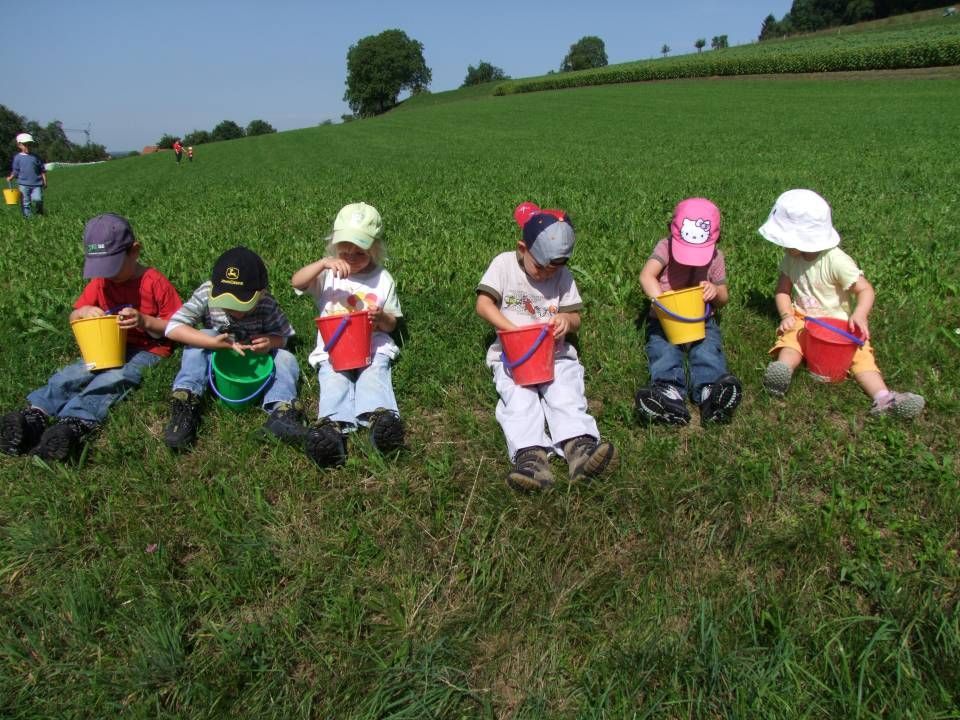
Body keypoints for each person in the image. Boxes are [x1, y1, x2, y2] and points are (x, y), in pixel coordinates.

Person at [0, 214, 182, 461]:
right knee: (74, 373)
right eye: (102, 269)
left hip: (148, 349)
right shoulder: (101, 283)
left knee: (116, 377)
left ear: (135, 251)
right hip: (105, 346)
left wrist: (144, 321)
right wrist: (84, 312)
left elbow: (178, 327)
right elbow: (74, 316)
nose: (108, 276)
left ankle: (74, 423)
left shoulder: (154, 282)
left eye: (113, 268)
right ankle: (35, 415)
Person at [475, 202, 619, 492]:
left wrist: (567, 320)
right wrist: (510, 329)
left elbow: (576, 316)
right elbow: (483, 304)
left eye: (554, 269)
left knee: (564, 392)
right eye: (539, 266)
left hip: (554, 355)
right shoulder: (503, 264)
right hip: (513, 356)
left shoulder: (562, 275)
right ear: (522, 248)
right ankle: (532, 458)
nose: (545, 275)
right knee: (519, 400)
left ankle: (580, 448)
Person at [759, 188, 925, 418]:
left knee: (861, 356)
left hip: (836, 325)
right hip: (803, 319)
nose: (783, 245)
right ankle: (782, 372)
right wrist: (787, 314)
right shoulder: (791, 258)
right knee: (791, 342)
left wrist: (860, 314)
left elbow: (865, 289)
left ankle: (883, 397)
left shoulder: (835, 260)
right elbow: (782, 290)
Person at [161, 246, 312, 452]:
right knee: (203, 336)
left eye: (241, 305)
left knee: (286, 358)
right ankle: (187, 399)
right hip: (217, 357)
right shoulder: (206, 292)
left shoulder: (266, 303)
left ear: (261, 293)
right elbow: (172, 327)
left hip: (254, 360)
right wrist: (211, 342)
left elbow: (284, 337)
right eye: (226, 304)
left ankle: (282, 411)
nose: (233, 311)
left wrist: (270, 342)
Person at [291, 202, 405, 468]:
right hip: (334, 348)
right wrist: (322, 264)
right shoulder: (328, 276)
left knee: (374, 373)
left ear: (375, 249)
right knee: (333, 379)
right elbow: (296, 282)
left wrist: (381, 319)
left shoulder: (382, 279)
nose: (352, 256)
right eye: (345, 250)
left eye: (360, 251)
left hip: (372, 345)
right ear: (334, 245)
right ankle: (331, 428)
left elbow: (392, 325)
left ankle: (381, 420)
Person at [634, 198, 742, 425]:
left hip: (701, 320)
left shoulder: (715, 257)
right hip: (665, 319)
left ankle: (710, 393)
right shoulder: (665, 247)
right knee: (663, 350)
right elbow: (647, 275)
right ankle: (668, 392)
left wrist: (715, 291)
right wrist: (660, 301)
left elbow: (724, 296)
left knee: (707, 349)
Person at [6, 132, 46, 217]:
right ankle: (28, 218)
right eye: (25, 144)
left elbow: (42, 170)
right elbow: (16, 170)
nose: (27, 147)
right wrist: (11, 177)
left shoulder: (36, 157)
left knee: (38, 199)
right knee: (26, 202)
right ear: (19, 145)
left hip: (37, 184)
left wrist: (45, 181)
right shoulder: (18, 158)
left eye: (29, 144)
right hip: (23, 184)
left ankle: (40, 214)